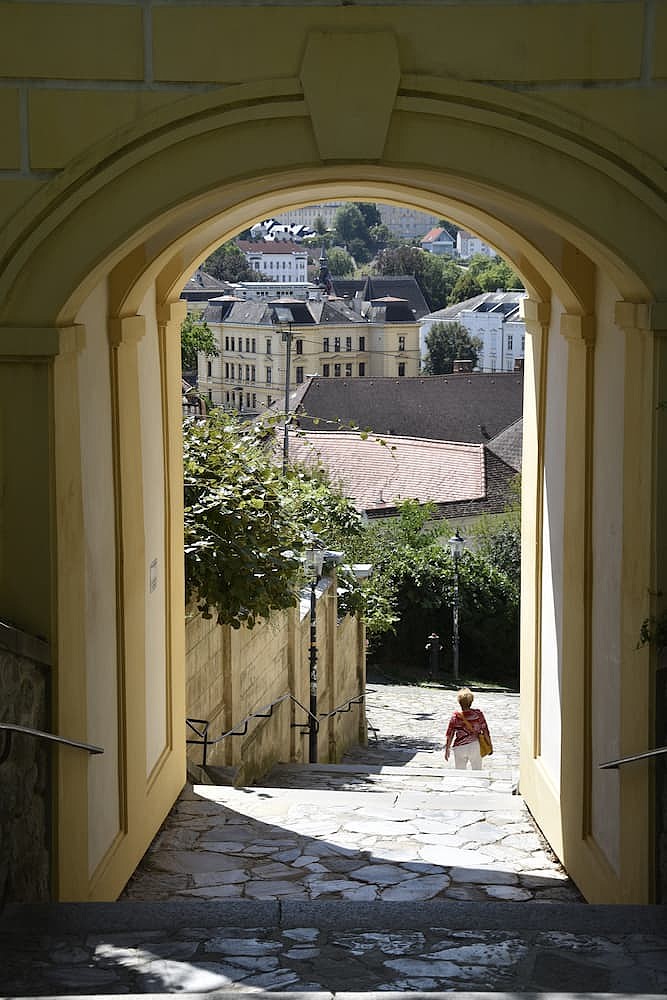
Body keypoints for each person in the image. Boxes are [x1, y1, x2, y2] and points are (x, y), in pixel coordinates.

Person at [444, 687, 492, 770]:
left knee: (460, 773)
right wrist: (490, 745)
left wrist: (447, 748)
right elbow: (485, 731)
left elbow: (450, 734)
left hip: (459, 747)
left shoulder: (455, 716)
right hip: (475, 746)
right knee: (477, 771)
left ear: (459, 702)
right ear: (471, 701)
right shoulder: (478, 714)